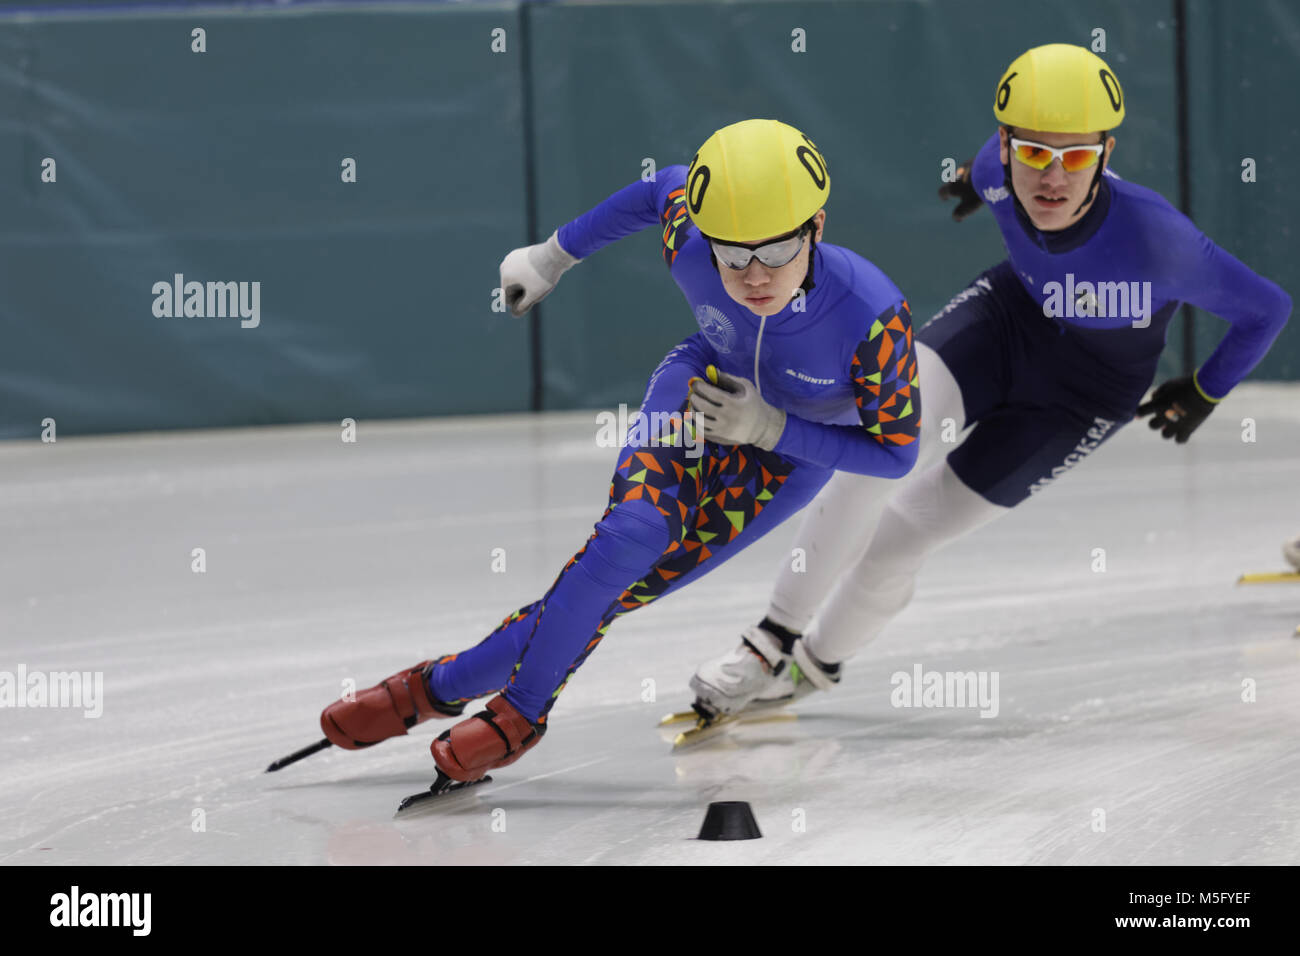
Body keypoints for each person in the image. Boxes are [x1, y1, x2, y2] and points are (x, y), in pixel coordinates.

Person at [688, 44, 1293, 717]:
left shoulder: (1161, 243)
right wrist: (974, 185)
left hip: (1081, 399)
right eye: (1033, 153)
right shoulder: (994, 170)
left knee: (902, 539)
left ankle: (810, 667)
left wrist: (1206, 389)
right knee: (879, 447)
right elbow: (991, 169)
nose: (1054, 179)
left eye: (1077, 157)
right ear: (1004, 146)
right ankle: (768, 642)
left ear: (1108, 153)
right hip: (1006, 321)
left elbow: (1268, 307)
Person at [314, 119, 922, 784]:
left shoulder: (872, 317)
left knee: (617, 591)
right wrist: (551, 257)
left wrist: (772, 429)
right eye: (732, 254)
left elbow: (894, 455)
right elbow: (656, 190)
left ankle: (430, 689)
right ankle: (519, 717)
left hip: (787, 461)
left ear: (817, 227)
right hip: (700, 390)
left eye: (777, 250)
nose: (753, 275)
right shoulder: (691, 236)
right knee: (629, 538)